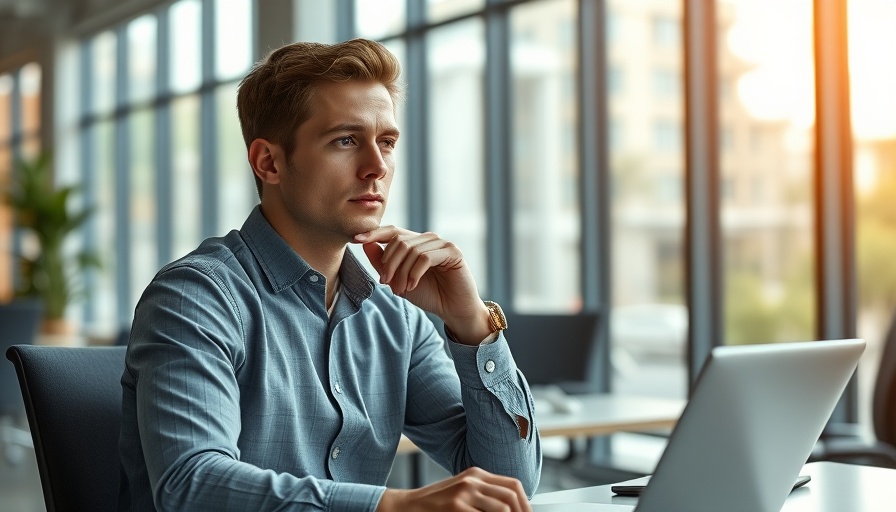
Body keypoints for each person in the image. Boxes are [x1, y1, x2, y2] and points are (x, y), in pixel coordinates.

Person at [118, 38, 542, 512]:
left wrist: (471, 323)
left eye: (386, 142)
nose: (376, 168)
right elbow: (191, 485)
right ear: (270, 162)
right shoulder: (196, 297)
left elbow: (511, 485)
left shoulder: (396, 315)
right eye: (346, 140)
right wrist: (392, 506)